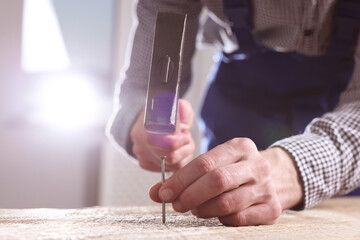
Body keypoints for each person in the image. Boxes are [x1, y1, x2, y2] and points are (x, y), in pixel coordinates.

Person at [107, 0, 360, 226]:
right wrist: (142, 115)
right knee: (223, 206)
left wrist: (294, 169)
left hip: (345, 154)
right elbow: (166, 11)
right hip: (236, 109)